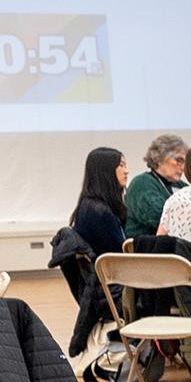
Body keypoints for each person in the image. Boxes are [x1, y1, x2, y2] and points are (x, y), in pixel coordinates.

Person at [68, 145, 129, 356]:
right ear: (106, 171)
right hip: (112, 291)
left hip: (104, 289)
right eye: (121, 165)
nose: (127, 170)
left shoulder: (92, 206)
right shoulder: (98, 212)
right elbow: (122, 257)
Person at [125, 134, 187, 245]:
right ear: (159, 158)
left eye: (184, 162)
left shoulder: (182, 186)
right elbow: (160, 219)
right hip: (146, 253)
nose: (183, 167)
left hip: (173, 249)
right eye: (178, 160)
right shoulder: (142, 183)